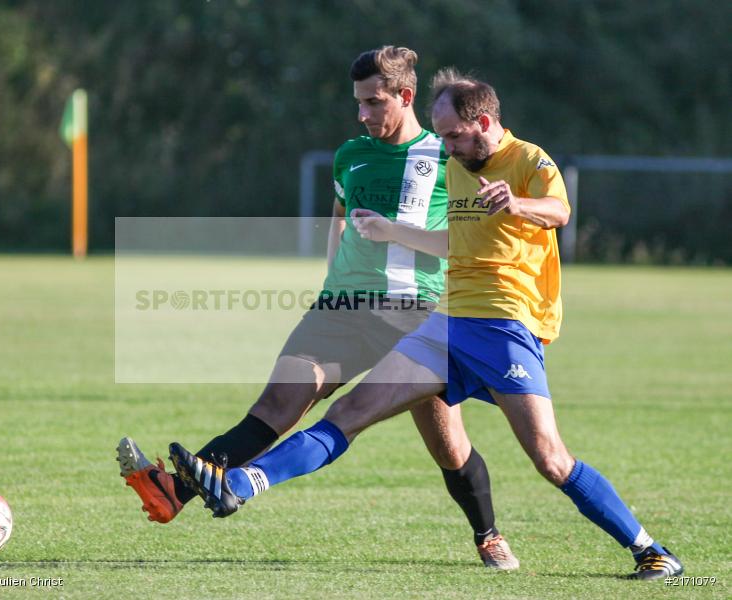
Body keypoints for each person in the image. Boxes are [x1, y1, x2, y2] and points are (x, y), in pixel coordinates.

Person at [169, 67, 683, 581]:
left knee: (551, 460)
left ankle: (651, 550)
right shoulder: (455, 160)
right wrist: (391, 230)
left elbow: (558, 211)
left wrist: (516, 202)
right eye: (441, 138)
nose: (447, 148)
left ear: (483, 121)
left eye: (455, 137)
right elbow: (454, 242)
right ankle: (239, 484)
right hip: (445, 322)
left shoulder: (528, 159)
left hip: (505, 327)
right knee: (350, 410)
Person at [118, 47, 519, 569]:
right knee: (273, 409)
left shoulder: (447, 158)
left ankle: (488, 535)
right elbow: (340, 214)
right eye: (358, 103)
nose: (363, 114)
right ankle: (174, 492)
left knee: (448, 445)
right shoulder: (349, 155)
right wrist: (333, 281)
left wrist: (395, 233)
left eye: (375, 103)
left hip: (412, 316)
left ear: (406, 96)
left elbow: (463, 242)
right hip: (339, 311)